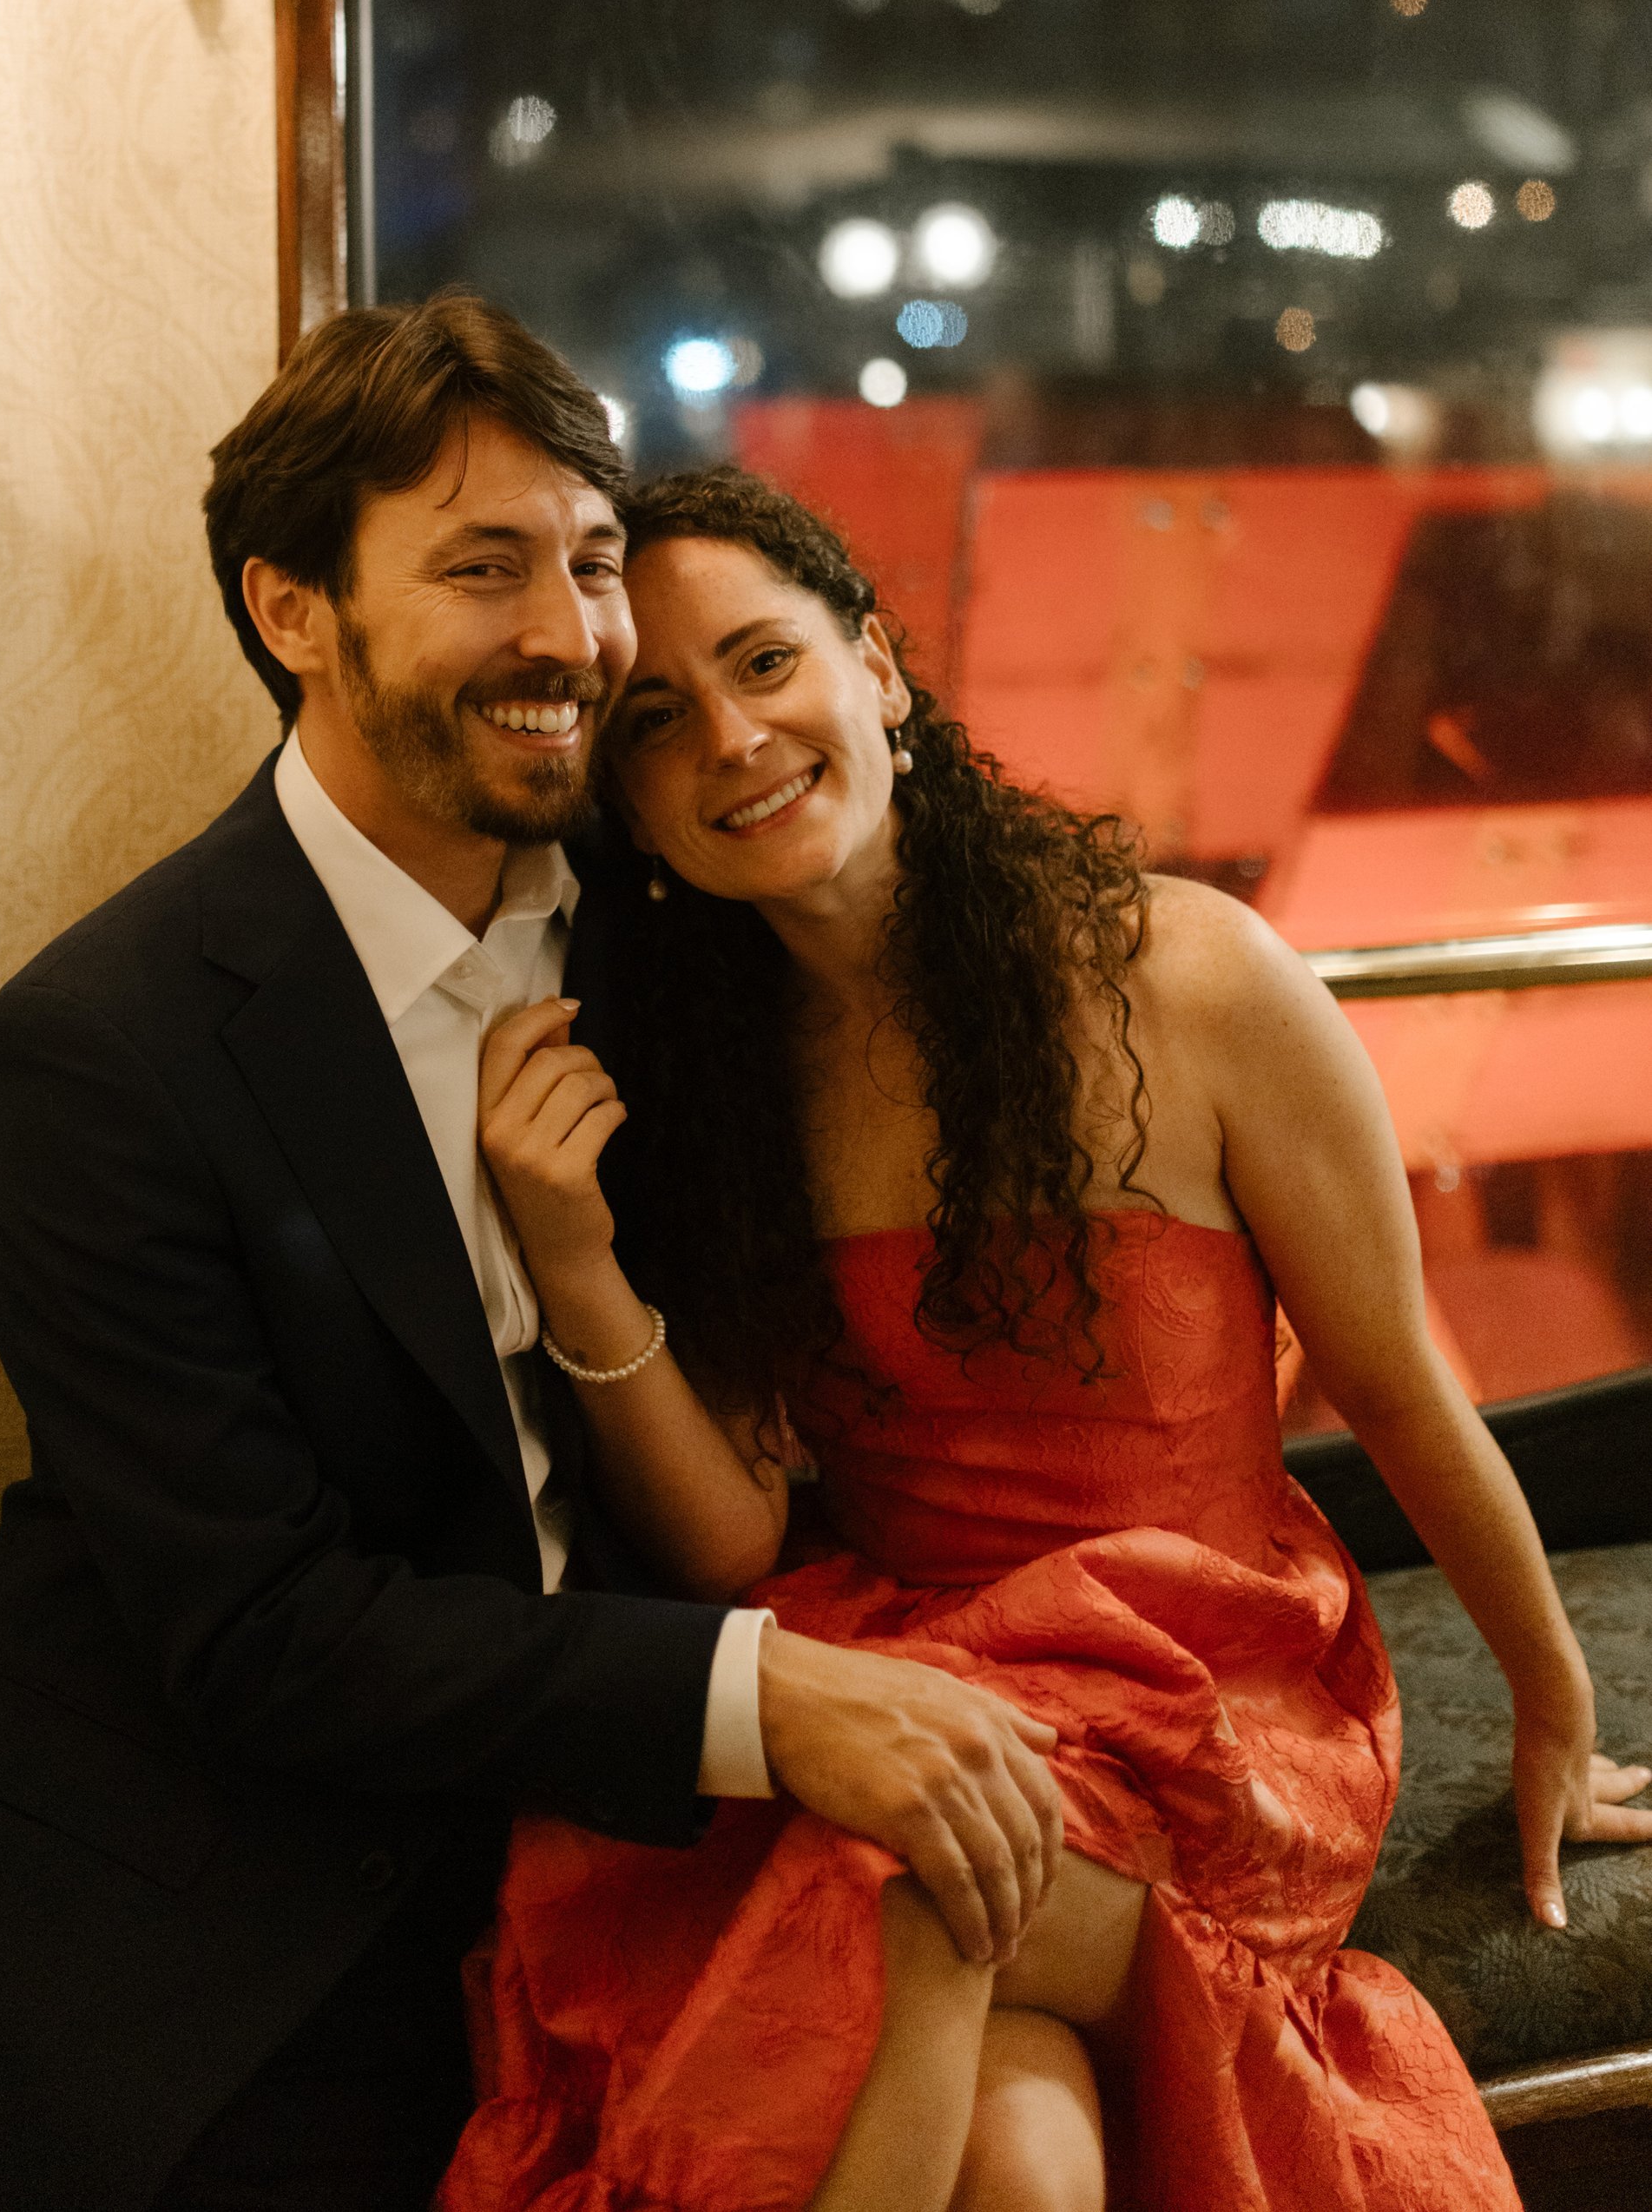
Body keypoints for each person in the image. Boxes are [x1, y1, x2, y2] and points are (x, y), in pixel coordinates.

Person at [0, 301, 1064, 2212]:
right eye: (479, 567)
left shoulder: (663, 936)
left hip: (608, 1791)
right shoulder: (105, 1048)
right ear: (292, 612)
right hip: (255, 1863)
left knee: (1014, 2116)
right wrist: (763, 1705)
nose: (569, 637)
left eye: (588, 565)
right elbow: (254, 1634)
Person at [441, 463, 1652, 2212]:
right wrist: (572, 1263)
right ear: (624, 796)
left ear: (878, 668)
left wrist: (1547, 1701)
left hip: (1216, 1688)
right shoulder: (704, 1087)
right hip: (911, 1658)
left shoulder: (1198, 981)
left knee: (925, 1869)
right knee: (1016, 2147)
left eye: (767, 663)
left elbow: (1396, 1389)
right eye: (655, 717)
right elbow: (729, 1541)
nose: (727, 737)